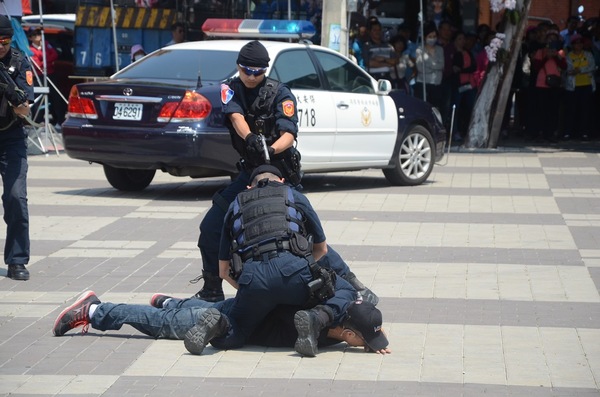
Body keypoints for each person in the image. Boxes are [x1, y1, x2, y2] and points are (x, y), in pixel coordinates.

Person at [194, 40, 377, 306]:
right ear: (238, 67)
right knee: (211, 226)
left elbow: (289, 134)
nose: (252, 76)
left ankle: (352, 283)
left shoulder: (280, 93)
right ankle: (212, 288)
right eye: (247, 70)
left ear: (265, 70)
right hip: (249, 174)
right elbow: (236, 117)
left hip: (279, 173)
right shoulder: (230, 88)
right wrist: (251, 140)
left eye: (258, 71)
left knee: (303, 234)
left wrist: (269, 147)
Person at [187, 165, 357, 356]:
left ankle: (219, 324)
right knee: (347, 289)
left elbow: (223, 272)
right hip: (294, 272)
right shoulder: (294, 196)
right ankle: (316, 319)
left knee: (239, 329)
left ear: (249, 187)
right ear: (282, 181)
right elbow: (322, 249)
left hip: (253, 279)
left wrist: (251, 290)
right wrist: (307, 271)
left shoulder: (236, 204)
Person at [51, 290, 391, 355]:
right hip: (226, 320)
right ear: (346, 331)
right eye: (364, 341)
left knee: (185, 310)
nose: (366, 346)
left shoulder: (338, 309)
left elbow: (366, 305)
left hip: (235, 307)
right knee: (163, 325)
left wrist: (372, 334)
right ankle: (96, 311)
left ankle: (172, 300)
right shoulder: (315, 322)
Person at [0, 15, 35, 280]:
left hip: (11, 137)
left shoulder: (19, 61)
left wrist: (12, 94)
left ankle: (17, 260)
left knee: (15, 198)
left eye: (5, 40)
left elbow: (26, 110)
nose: (1, 46)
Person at [27, 26, 65, 126]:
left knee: (56, 98)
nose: (37, 36)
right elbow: (37, 64)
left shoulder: (46, 44)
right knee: (38, 100)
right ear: (30, 38)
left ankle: (59, 120)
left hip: (50, 74)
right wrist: (46, 60)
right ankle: (38, 121)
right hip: (38, 77)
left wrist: (43, 59)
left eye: (39, 34)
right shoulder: (30, 50)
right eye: (34, 35)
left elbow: (55, 55)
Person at [563, 34, 596, 140]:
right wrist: (578, 70)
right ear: (572, 45)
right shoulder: (569, 56)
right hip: (573, 86)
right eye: (576, 43)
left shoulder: (588, 54)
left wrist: (580, 70)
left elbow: (592, 66)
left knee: (585, 110)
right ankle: (569, 132)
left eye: (580, 43)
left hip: (586, 85)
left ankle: (584, 132)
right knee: (571, 110)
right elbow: (569, 69)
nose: (579, 45)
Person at [414, 23, 444, 110]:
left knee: (435, 109)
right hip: (423, 84)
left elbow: (441, 66)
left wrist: (429, 65)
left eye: (434, 36)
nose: (432, 39)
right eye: (430, 36)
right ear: (425, 37)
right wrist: (435, 65)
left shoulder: (440, 49)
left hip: (436, 84)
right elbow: (420, 69)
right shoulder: (420, 50)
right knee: (422, 108)